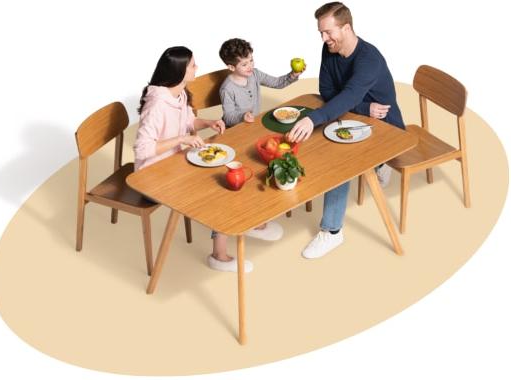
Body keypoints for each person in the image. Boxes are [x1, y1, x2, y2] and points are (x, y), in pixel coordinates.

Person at [286, 2, 405, 259]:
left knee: (338, 161)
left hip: (387, 128)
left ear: (347, 27)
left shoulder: (369, 59)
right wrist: (363, 108)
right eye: (320, 33)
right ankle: (377, 167)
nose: (324, 38)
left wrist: (313, 119)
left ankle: (332, 231)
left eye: (328, 32)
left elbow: (347, 95)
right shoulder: (330, 50)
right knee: (320, 143)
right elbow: (328, 92)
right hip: (356, 116)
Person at [134, 47, 258, 273]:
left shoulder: (179, 94)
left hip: (174, 164)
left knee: (228, 173)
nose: (196, 68)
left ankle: (250, 224)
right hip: (151, 176)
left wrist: (209, 123)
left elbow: (189, 121)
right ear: (179, 71)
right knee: (218, 188)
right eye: (192, 65)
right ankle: (219, 255)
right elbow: (143, 149)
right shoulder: (157, 105)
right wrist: (181, 139)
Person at [203, 38, 306, 273]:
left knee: (262, 173)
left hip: (255, 134)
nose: (250, 66)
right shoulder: (227, 88)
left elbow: (278, 83)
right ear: (231, 67)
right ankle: (220, 251)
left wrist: (292, 74)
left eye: (251, 60)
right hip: (234, 138)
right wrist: (243, 117)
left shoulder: (255, 74)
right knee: (236, 186)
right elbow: (228, 117)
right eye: (244, 64)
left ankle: (257, 223)